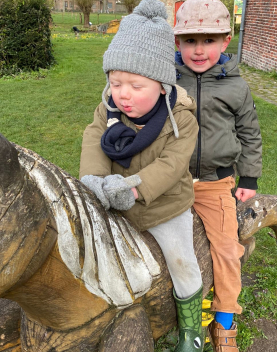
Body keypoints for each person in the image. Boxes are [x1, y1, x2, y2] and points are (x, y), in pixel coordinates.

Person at [79, 0, 205, 350]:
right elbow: (94, 141)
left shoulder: (182, 120)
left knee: (182, 262)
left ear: (162, 86)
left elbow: (171, 166)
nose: (123, 94)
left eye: (135, 86)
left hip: (163, 206)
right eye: (116, 82)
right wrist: (93, 178)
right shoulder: (109, 109)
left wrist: (134, 191)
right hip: (113, 199)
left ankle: (191, 332)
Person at [174, 0, 263, 351]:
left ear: (226, 41)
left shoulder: (236, 87)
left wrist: (249, 178)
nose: (199, 50)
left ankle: (225, 321)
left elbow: (250, 133)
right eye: (190, 40)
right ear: (177, 42)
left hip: (216, 181)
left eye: (209, 40)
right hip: (172, 179)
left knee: (227, 249)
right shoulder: (165, 79)